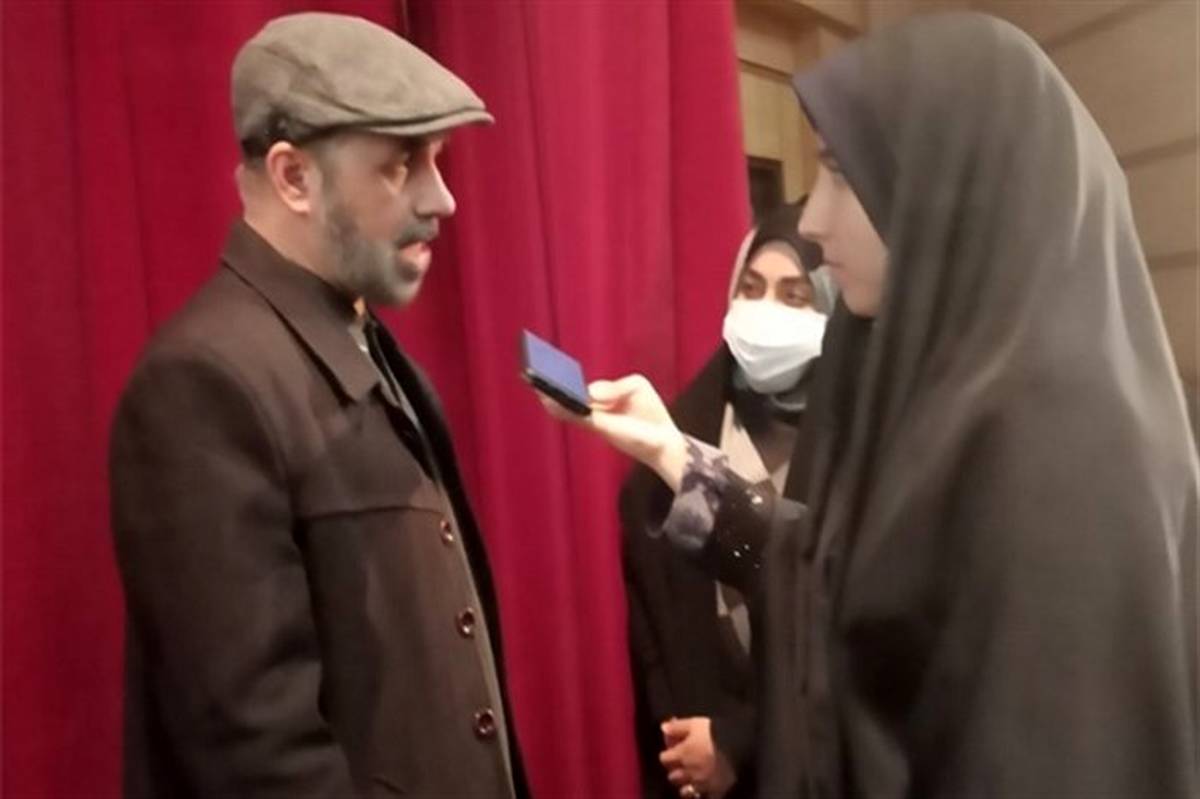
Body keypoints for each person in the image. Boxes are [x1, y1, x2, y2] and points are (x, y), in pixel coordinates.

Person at [539, 12, 1199, 798]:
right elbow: (822, 576)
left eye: (841, 173)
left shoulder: (1062, 446)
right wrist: (674, 454)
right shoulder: (952, 393)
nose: (813, 221)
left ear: (949, 182)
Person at [109, 13, 527, 798]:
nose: (443, 199)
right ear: (294, 177)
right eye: (401, 165)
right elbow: (256, 751)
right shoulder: (201, 383)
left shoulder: (367, 345)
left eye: (436, 159)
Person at [622, 199, 836, 799]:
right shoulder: (685, 430)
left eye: (795, 295)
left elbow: (837, 624)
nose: (766, 310)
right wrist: (687, 742)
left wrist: (739, 743)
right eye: (752, 288)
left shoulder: (859, 444)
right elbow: (651, 620)